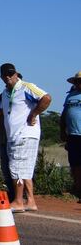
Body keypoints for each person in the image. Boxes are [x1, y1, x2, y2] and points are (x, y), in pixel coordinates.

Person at [0, 63, 51, 212]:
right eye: (5, 74)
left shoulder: (26, 87)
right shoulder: (5, 93)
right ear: (1, 76)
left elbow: (46, 98)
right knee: (24, 170)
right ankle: (31, 201)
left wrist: (34, 114)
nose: (8, 77)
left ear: (16, 74)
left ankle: (18, 201)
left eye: (11, 73)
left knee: (16, 168)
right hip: (13, 135)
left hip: (24, 134)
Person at [61, 71, 81, 203]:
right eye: (77, 81)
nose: (79, 84)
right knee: (75, 163)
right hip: (73, 135)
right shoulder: (70, 96)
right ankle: (77, 188)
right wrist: (62, 131)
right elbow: (64, 115)